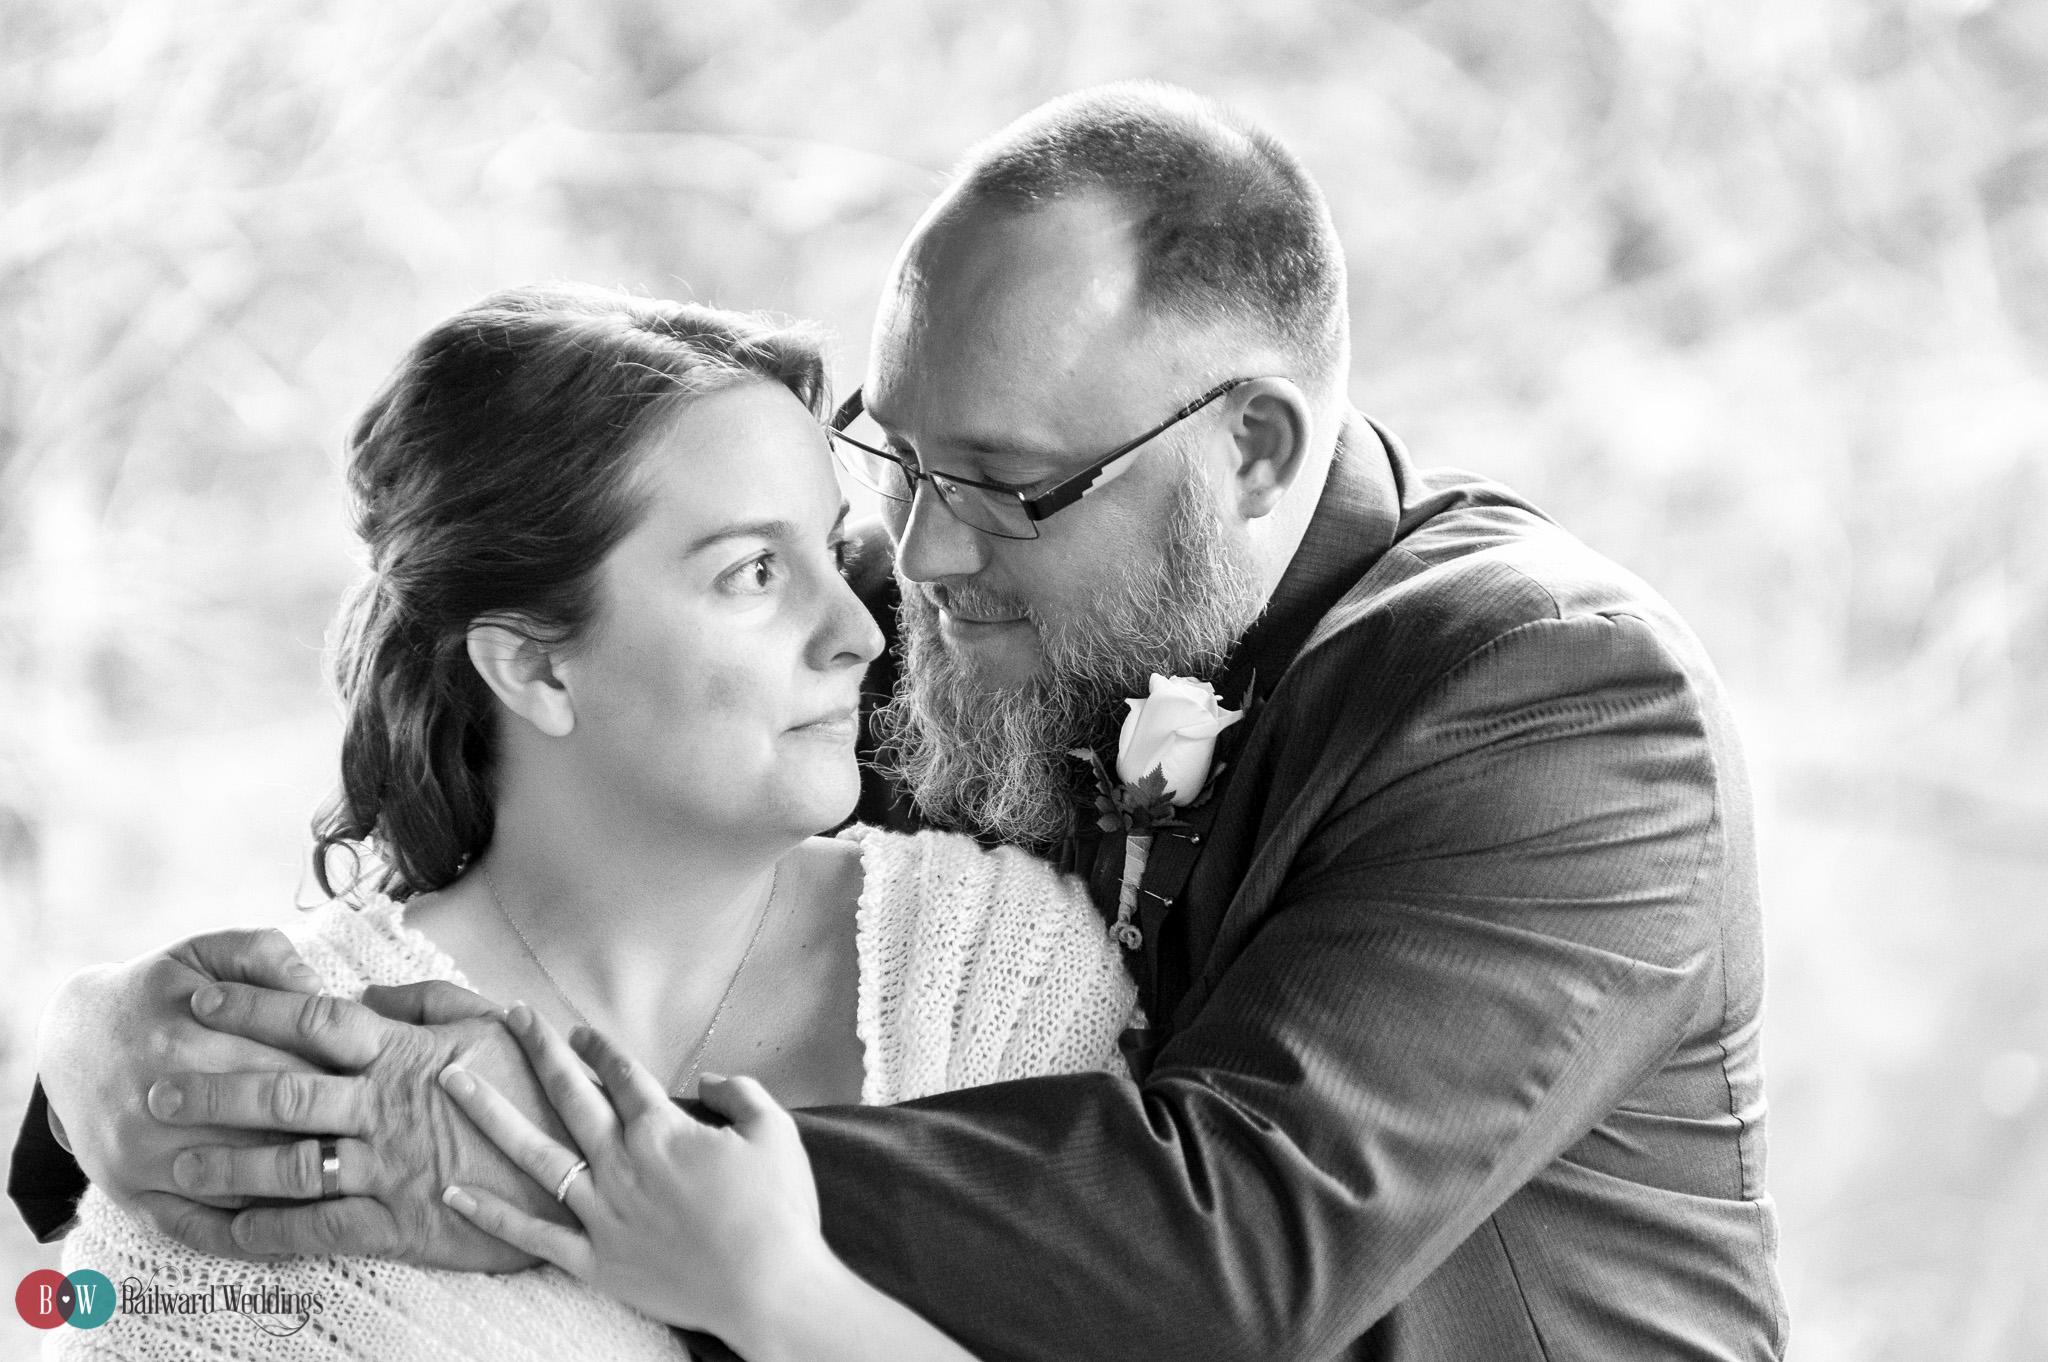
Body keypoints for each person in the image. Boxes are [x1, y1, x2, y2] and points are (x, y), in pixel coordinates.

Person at [13, 84, 1788, 1359]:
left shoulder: (1554, 705)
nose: (909, 561)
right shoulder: (960, 598)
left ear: (1247, 451)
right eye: (900, 453)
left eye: (1004, 483)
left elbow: (1237, 1239)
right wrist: (92, 1072)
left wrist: (540, 1153)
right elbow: (576, 806)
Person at [30, 282, 1140, 1360]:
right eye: (753, 572)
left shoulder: (996, 966)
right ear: (533, 668)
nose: (855, 628)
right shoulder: (272, 1105)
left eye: (827, 545)